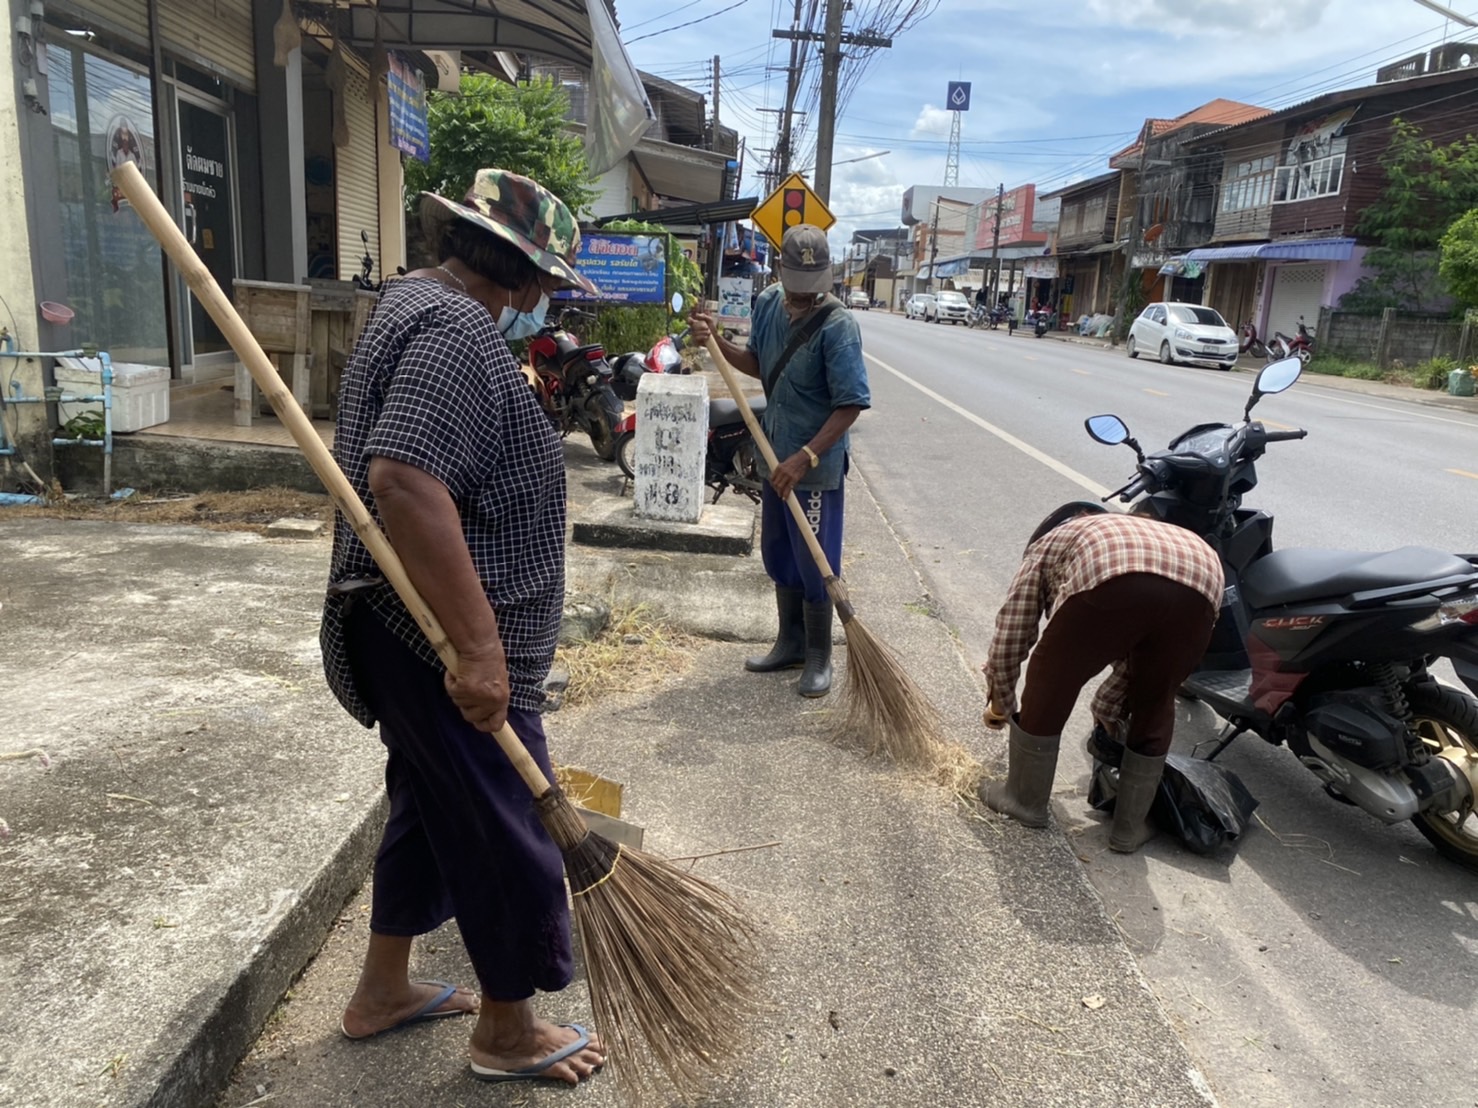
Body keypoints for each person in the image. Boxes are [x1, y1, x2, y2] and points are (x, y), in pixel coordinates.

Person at [320, 168, 606, 1085]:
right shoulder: (452, 330)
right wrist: (480, 651)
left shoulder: (414, 305)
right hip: (436, 640)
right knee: (503, 824)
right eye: (548, 287)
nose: (544, 302)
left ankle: (383, 989)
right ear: (524, 280)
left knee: (428, 806)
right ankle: (508, 1030)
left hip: (405, 630)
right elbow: (403, 478)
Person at [689, 224, 870, 698]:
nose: (806, 294)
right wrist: (715, 343)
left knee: (816, 561)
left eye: (815, 284)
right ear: (780, 270)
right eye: (797, 282)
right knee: (780, 554)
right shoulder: (768, 303)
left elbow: (850, 404)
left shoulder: (838, 326)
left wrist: (805, 457)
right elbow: (757, 363)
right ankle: (789, 642)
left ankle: (818, 655)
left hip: (815, 466)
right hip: (774, 454)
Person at [979, 505, 1224, 852]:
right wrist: (1107, 715)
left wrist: (1001, 701)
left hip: (1112, 575)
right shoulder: (1128, 531)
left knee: (1051, 680)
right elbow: (1135, 660)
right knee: (1156, 699)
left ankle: (1024, 802)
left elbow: (1012, 633)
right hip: (1203, 580)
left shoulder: (1049, 544)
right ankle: (1130, 828)